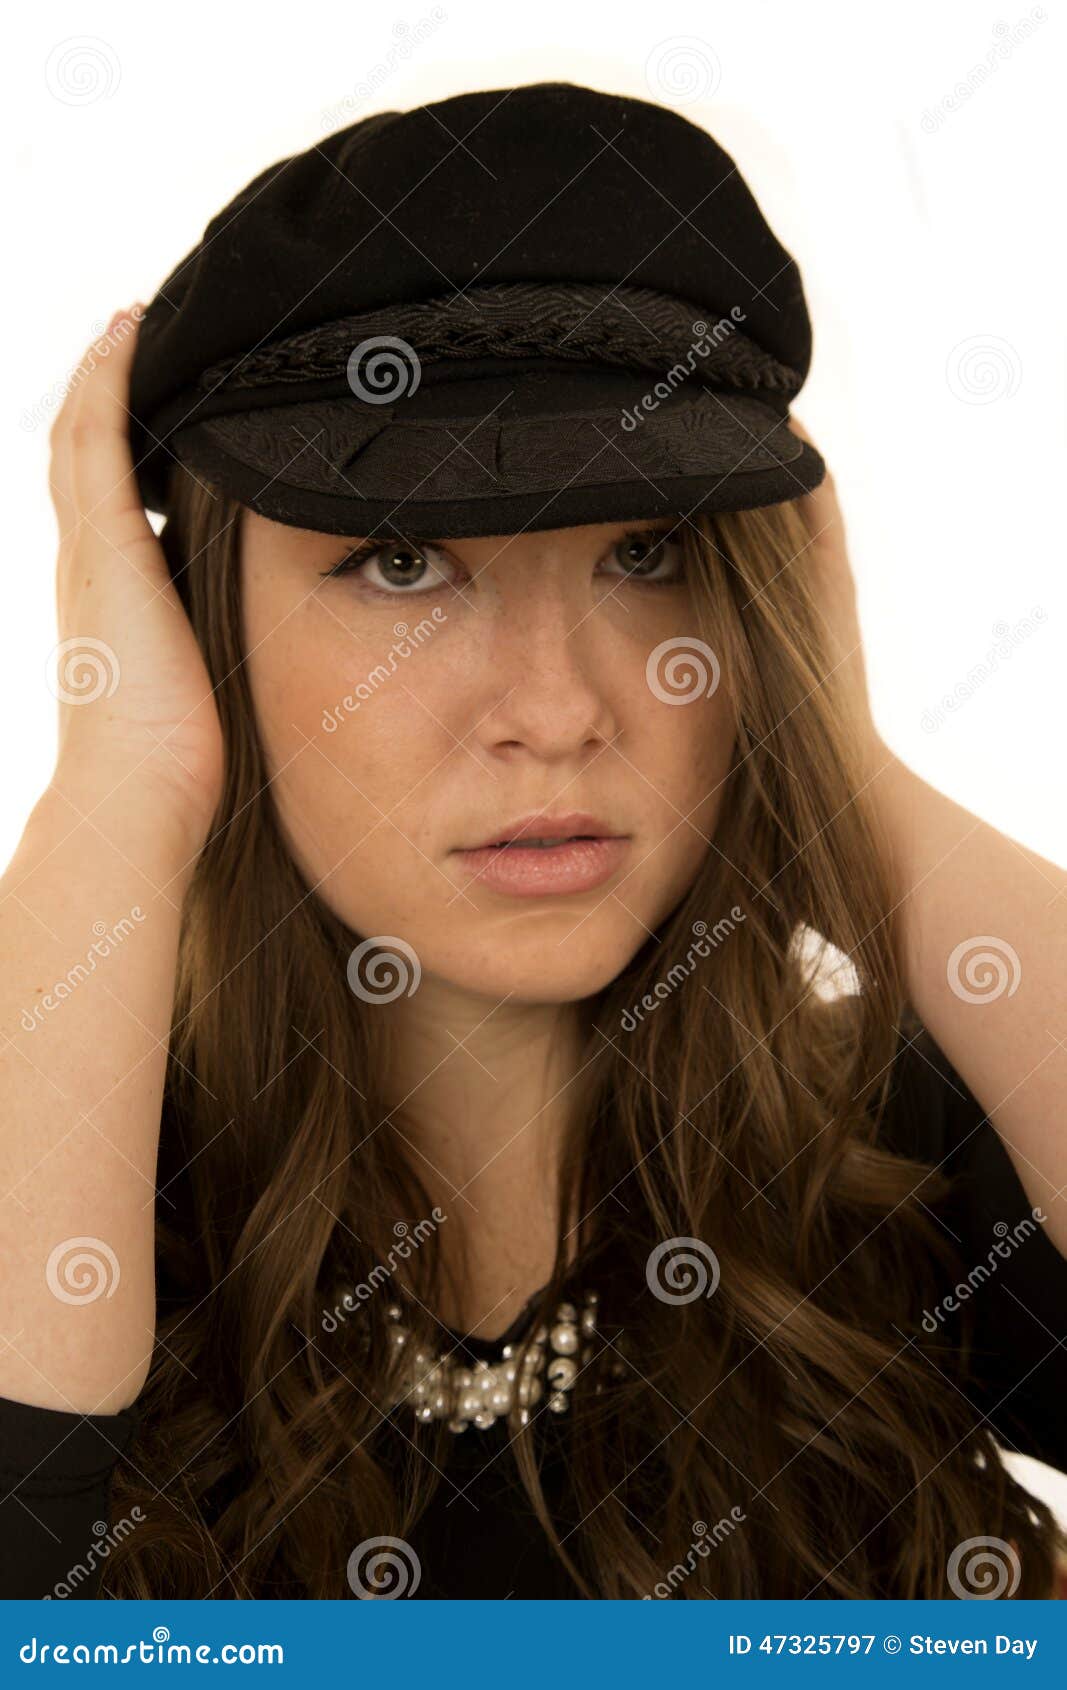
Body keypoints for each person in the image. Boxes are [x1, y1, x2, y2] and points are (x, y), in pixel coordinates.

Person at [2, 82, 1065, 1602]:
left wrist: (841, 767)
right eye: (403, 559)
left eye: (649, 551)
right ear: (192, 622)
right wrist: (118, 779)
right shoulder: (81, 1196)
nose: (557, 710)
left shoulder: (901, 1166)